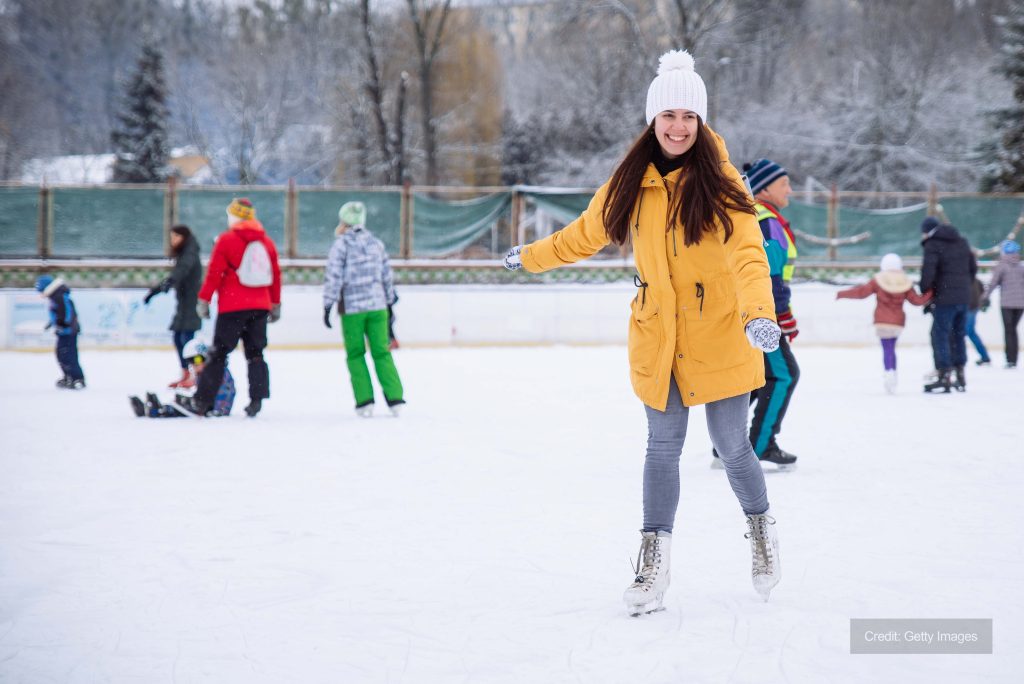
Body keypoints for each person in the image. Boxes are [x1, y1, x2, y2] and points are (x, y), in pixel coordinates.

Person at [502, 49, 783, 615]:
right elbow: (582, 235)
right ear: (653, 120)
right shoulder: (630, 181)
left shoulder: (725, 185)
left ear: (700, 123)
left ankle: (761, 529)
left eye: (688, 117)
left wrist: (759, 314)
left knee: (732, 445)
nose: (678, 127)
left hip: (722, 330)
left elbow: (749, 256)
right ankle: (653, 565)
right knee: (662, 446)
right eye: (668, 116)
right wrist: (529, 257)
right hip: (659, 333)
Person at [176, 198, 281, 418]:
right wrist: (275, 302)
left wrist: (204, 299)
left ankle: (203, 401)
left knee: (219, 354)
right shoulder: (266, 242)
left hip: (232, 306)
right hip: (260, 305)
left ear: (234, 216)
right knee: (256, 354)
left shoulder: (226, 240)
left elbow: (215, 272)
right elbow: (275, 275)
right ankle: (256, 399)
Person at [736, 158, 800, 467]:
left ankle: (727, 444)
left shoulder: (760, 216)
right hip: (763, 315)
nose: (790, 189)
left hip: (752, 312)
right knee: (783, 375)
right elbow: (770, 274)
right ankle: (759, 446)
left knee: (753, 379)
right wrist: (782, 315)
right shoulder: (765, 221)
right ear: (763, 188)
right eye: (784, 183)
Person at [322, 201, 405, 417]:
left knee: (355, 354)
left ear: (344, 222)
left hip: (353, 309)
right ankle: (395, 398)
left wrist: (328, 303)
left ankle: (364, 400)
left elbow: (333, 277)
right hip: (378, 307)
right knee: (381, 352)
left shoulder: (341, 246)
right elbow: (386, 276)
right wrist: (389, 302)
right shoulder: (376, 244)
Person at [835, 253, 932, 393]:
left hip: (882, 321)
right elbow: (917, 301)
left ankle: (889, 373)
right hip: (898, 322)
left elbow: (861, 293)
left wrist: (842, 294)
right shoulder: (904, 282)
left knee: (887, 349)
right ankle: (893, 374)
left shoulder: (878, 280)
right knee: (892, 348)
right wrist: (931, 292)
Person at [918, 216, 976, 392]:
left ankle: (944, 375)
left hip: (945, 298)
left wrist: (925, 289)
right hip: (963, 297)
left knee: (940, 335)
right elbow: (972, 268)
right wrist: (964, 287)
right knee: (958, 335)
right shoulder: (962, 242)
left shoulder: (933, 244)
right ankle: (960, 373)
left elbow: (929, 271)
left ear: (926, 231)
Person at [143, 224, 203, 388]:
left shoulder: (190, 251)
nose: (173, 241)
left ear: (184, 237)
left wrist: (170, 282)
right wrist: (155, 291)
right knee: (178, 337)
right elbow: (176, 274)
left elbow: (182, 270)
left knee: (187, 340)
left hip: (192, 302)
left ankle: (195, 374)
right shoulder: (185, 251)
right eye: (172, 237)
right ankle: (186, 373)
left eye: (176, 237)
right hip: (184, 302)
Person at [129, 338, 235, 418]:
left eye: (197, 360)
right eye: (191, 362)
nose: (194, 364)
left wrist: (213, 411)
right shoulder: (205, 375)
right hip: (208, 406)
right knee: (181, 400)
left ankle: (158, 410)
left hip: (215, 410)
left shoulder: (215, 373)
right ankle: (155, 408)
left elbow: (224, 396)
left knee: (183, 405)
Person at [35, 274, 86, 389]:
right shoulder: (56, 295)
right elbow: (59, 312)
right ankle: (69, 376)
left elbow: (66, 312)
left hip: (68, 331)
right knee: (62, 355)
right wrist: (52, 323)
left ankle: (77, 379)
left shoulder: (59, 296)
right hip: (64, 331)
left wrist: (62, 323)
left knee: (69, 355)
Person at [981, 239, 1024, 368]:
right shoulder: (1021, 266)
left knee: (1009, 330)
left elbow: (993, 283)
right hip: (1021, 304)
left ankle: (1010, 359)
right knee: (1013, 330)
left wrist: (984, 297)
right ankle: (1013, 358)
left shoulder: (1001, 266)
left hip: (1006, 304)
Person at [966, 277, 991, 366]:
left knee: (967, 332)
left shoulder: (970, 279)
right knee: (969, 332)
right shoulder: (975, 279)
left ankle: (985, 357)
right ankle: (985, 356)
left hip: (970, 307)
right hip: (972, 306)